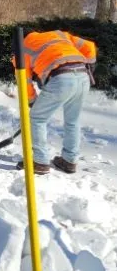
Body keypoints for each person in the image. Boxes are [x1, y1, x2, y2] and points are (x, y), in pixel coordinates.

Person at [15, 29, 97, 175]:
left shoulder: (22, 49)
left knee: (37, 119)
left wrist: (32, 101)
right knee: (73, 121)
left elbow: (25, 81)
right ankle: (69, 161)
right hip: (83, 76)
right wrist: (89, 66)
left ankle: (40, 162)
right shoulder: (58, 34)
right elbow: (89, 46)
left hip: (61, 78)